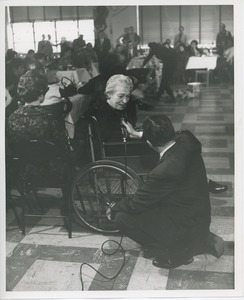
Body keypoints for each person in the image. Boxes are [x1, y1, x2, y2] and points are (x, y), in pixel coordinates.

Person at [106, 114, 225, 269]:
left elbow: (137, 203)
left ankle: (175, 251)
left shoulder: (163, 171)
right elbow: (179, 135)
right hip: (199, 219)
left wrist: (114, 206)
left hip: (186, 229)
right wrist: (138, 134)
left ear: (149, 142)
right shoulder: (188, 140)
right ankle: (189, 242)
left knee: (121, 217)